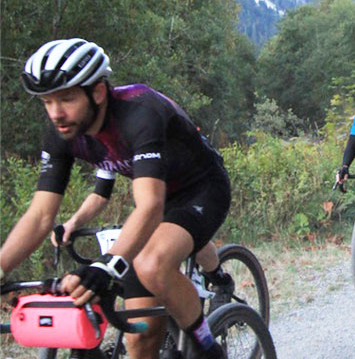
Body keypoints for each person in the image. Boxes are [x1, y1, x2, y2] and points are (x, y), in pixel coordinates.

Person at [0, 38, 231, 359]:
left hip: (202, 188)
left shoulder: (140, 112)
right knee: (140, 336)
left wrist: (108, 266)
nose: (56, 113)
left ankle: (208, 348)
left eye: (66, 98)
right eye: (47, 102)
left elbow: (149, 205)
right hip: (157, 201)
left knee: (151, 263)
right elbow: (40, 215)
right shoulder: (62, 132)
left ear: (97, 91)